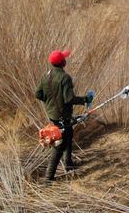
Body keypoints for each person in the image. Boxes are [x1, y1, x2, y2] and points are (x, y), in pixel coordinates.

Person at [35, 49, 94, 181]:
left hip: (53, 115)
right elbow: (69, 99)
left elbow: (38, 94)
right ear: (63, 63)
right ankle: (48, 178)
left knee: (69, 135)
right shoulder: (65, 78)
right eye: (64, 58)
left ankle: (68, 163)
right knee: (59, 146)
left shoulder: (46, 75)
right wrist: (85, 99)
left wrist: (50, 103)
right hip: (63, 116)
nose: (66, 59)